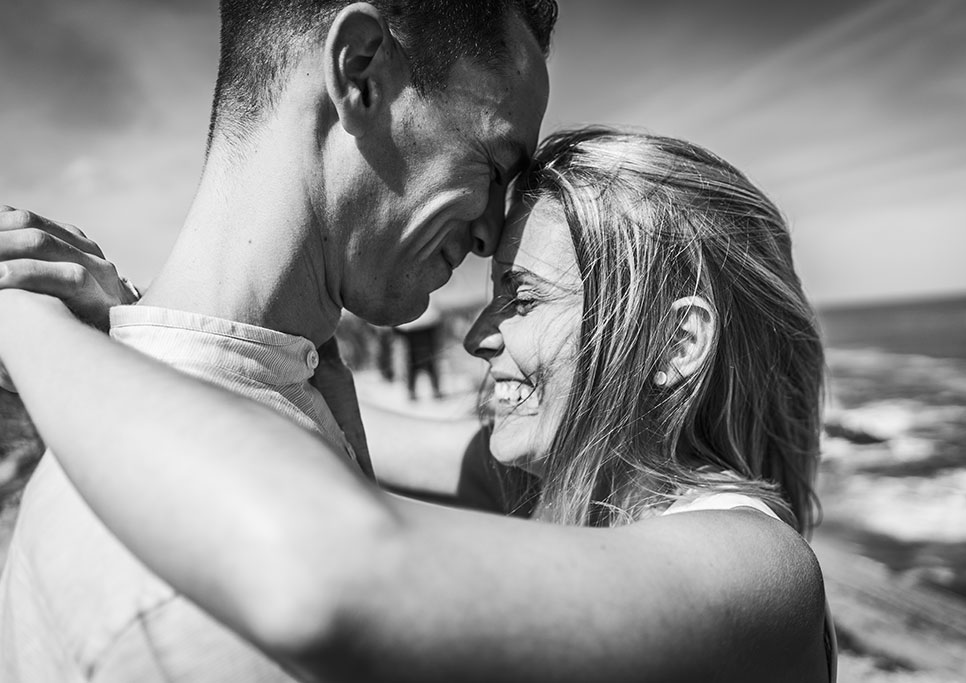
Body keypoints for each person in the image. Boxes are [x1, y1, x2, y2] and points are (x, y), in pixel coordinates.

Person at [0, 128, 837, 682]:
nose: (477, 335)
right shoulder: (577, 490)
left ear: (676, 344)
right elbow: (254, 383)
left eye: (522, 295)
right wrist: (130, 313)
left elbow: (332, 572)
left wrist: (23, 323)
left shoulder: (756, 570)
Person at [0, 1, 555, 680]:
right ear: (359, 76)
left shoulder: (270, 383)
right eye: (495, 169)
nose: (491, 235)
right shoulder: (203, 570)